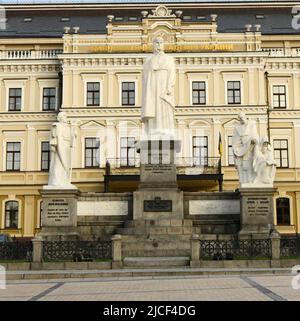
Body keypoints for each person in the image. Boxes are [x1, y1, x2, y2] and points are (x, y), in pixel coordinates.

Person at [141, 37, 176, 137]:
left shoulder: (169, 58)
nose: (159, 44)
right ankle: (153, 129)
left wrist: (169, 86)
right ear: (153, 45)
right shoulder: (148, 59)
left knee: (164, 106)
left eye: (161, 42)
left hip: (164, 85)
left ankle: (165, 129)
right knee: (153, 107)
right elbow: (144, 75)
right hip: (152, 86)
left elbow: (172, 72)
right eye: (156, 42)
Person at [45, 111, 77, 189]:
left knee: (66, 165)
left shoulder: (67, 127)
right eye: (64, 116)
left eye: (66, 116)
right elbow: (56, 137)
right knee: (58, 164)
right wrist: (59, 146)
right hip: (59, 146)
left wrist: (74, 135)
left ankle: (65, 181)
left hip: (66, 147)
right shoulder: (57, 126)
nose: (66, 118)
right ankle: (56, 181)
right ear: (60, 118)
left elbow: (70, 138)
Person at [232, 112, 259, 184]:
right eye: (240, 118)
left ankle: (251, 180)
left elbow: (255, 135)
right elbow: (235, 140)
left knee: (250, 163)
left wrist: (254, 140)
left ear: (245, 116)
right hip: (242, 147)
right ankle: (245, 181)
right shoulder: (237, 128)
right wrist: (237, 149)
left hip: (251, 146)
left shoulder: (251, 124)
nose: (241, 119)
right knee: (243, 165)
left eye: (242, 117)